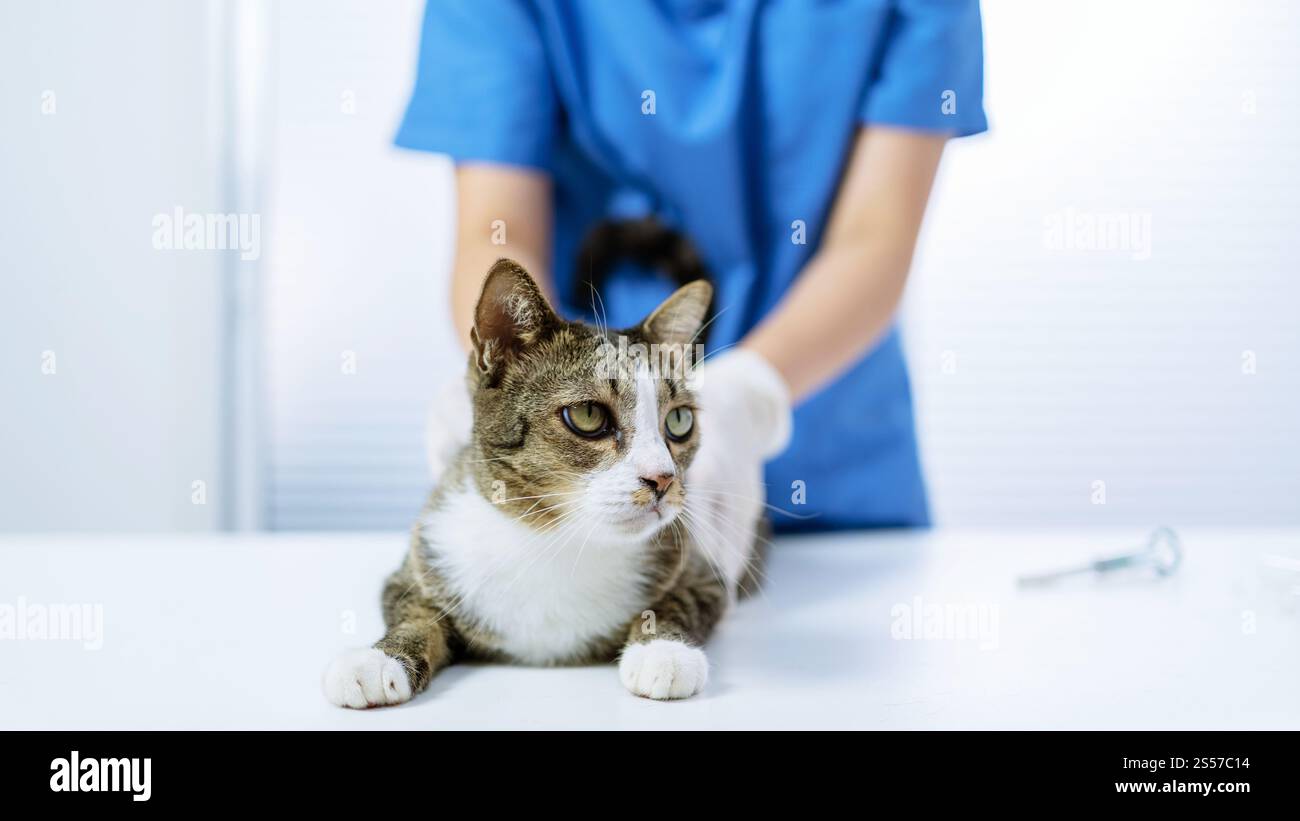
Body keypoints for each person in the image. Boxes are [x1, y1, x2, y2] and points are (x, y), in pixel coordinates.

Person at [396, 0, 987, 532]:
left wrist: (745, 398)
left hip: (835, 483)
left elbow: (874, 240)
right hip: (584, 499)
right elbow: (498, 230)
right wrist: (515, 370)